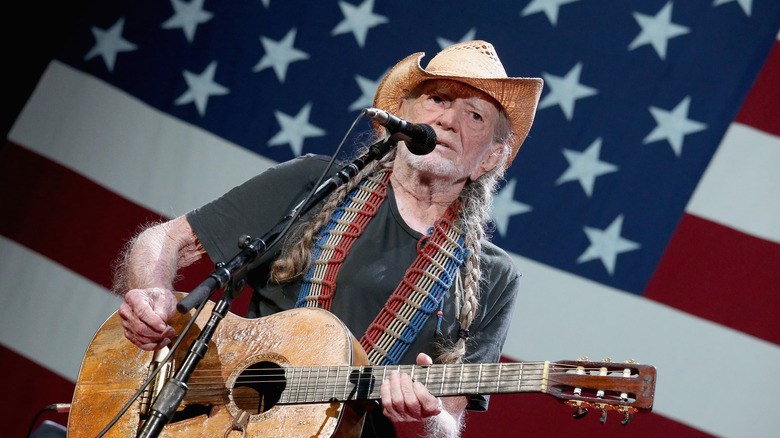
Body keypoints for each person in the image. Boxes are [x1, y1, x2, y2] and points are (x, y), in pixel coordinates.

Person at [116, 40, 543, 438]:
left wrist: (431, 414)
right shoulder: (313, 182)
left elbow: (450, 414)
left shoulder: (494, 275)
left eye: (475, 116)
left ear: (490, 157)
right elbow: (166, 240)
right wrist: (150, 290)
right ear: (401, 113)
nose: (448, 121)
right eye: (438, 99)